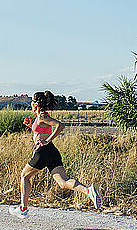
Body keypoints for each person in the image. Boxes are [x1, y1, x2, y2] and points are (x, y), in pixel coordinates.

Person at [9, 90, 101, 219]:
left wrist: (47, 140)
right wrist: (31, 126)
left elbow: (60, 126)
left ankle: (23, 209)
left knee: (24, 176)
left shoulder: (42, 116)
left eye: (31, 102)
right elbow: (41, 131)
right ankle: (88, 191)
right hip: (52, 152)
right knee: (63, 183)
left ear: (35, 104)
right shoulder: (40, 117)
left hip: (43, 151)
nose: (30, 104)